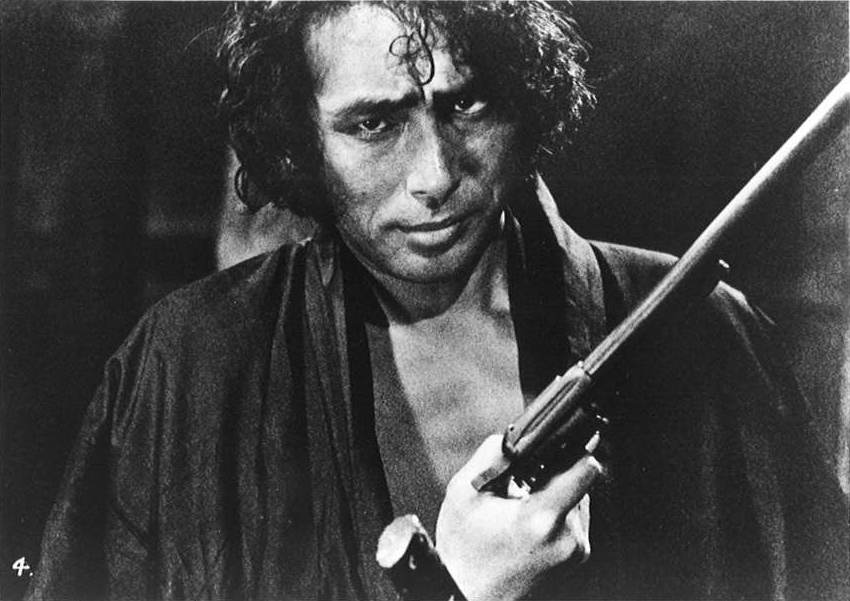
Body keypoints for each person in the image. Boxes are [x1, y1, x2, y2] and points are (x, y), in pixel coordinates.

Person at [27, 2, 848, 600]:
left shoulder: (707, 335)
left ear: (525, 98)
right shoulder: (184, 368)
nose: (435, 175)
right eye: (373, 124)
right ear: (301, 136)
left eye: (467, 104)